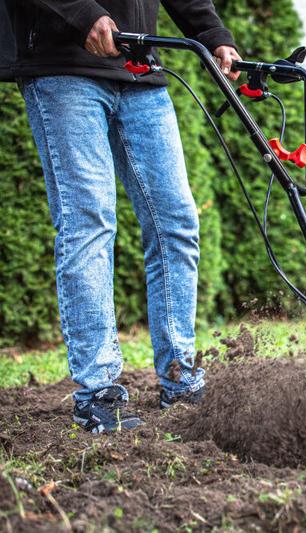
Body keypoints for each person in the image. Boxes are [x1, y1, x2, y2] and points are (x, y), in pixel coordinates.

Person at [0, 0, 241, 433]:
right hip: (63, 67)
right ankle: (99, 390)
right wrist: (83, 14)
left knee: (176, 221)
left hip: (140, 69)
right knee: (88, 221)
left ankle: (180, 378)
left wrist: (214, 36)